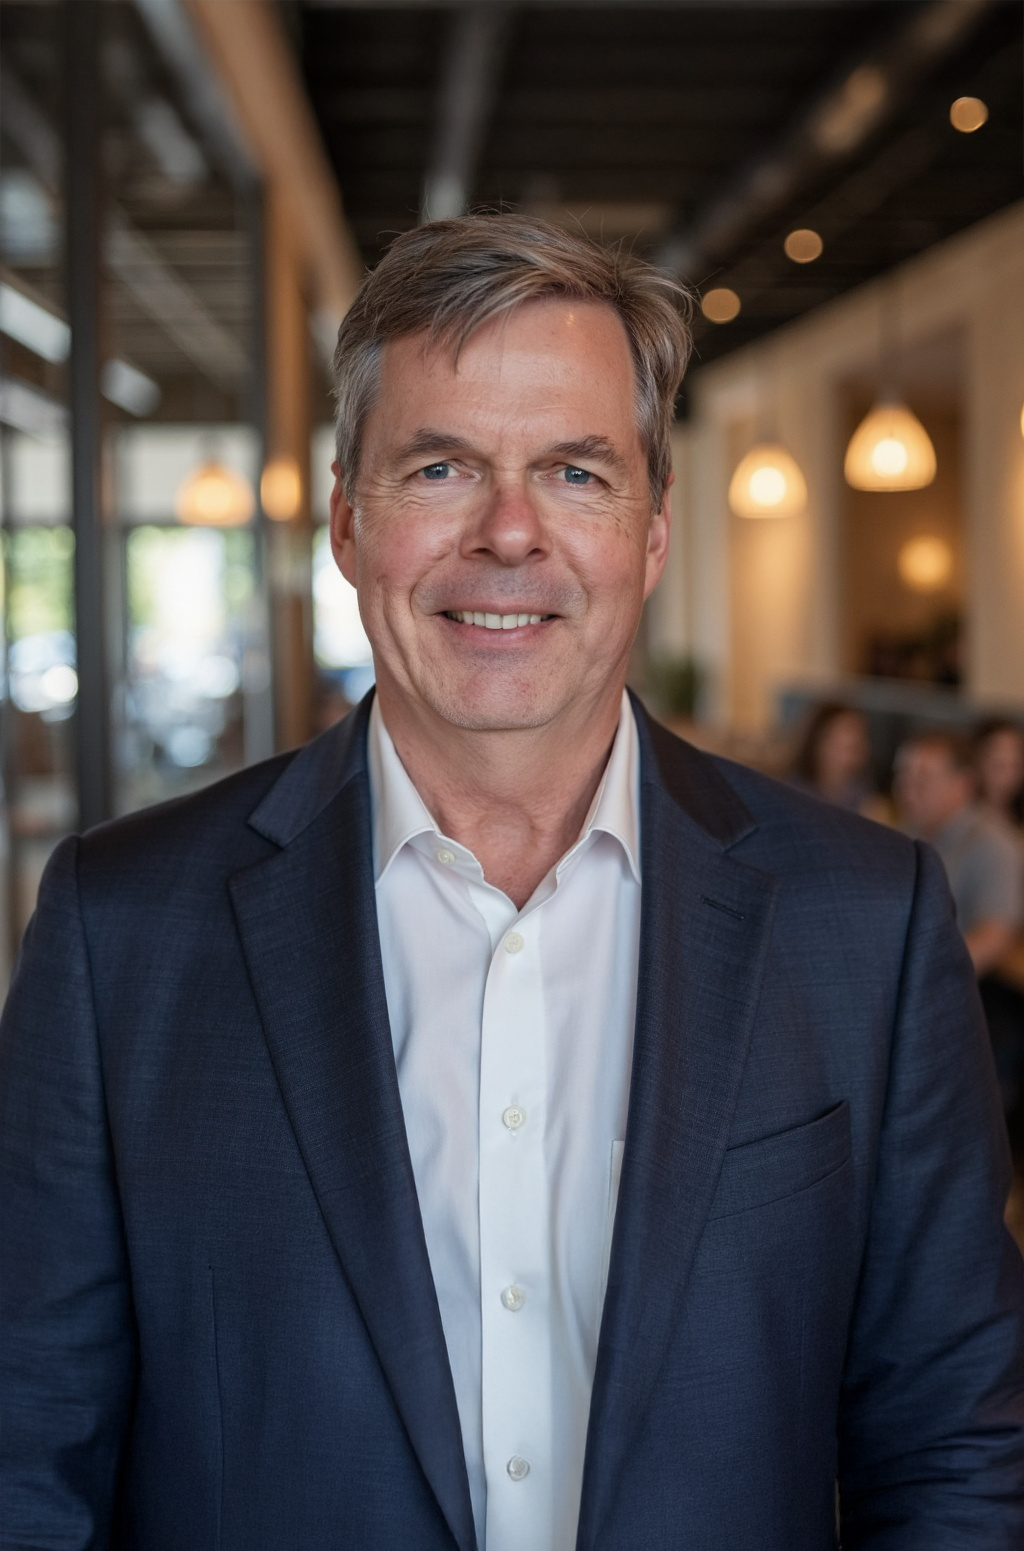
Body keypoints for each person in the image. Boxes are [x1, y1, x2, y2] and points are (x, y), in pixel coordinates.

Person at [2, 216, 1023, 1551]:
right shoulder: (119, 927)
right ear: (348, 522)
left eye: (576, 473)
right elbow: (27, 1453)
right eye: (441, 466)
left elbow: (954, 1443)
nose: (508, 533)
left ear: (651, 531)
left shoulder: (865, 918)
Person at [894, 730, 1024, 978]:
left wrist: (928, 976)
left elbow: (996, 935)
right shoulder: (905, 833)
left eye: (922, 781)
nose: (907, 790)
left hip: (960, 990)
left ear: (962, 785)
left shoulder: (996, 844)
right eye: (902, 776)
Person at [789, 700, 880, 816]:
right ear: (820, 742)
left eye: (862, 733)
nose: (857, 737)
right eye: (848, 728)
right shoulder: (795, 793)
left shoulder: (863, 794)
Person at [975, 718, 1024, 829]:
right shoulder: (963, 818)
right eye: (999, 766)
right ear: (978, 762)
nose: (1008, 776)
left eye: (1015, 766)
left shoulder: (1017, 817)